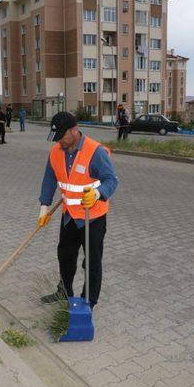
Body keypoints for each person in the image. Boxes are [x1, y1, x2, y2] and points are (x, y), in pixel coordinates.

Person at [38, 112, 118, 310]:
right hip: (69, 217)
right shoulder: (56, 152)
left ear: (74, 131)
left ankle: (88, 302)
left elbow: (111, 180)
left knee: (91, 262)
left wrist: (98, 193)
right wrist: (43, 208)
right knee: (65, 256)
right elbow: (49, 180)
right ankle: (64, 291)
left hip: (93, 218)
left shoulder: (95, 151)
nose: (58, 142)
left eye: (61, 137)